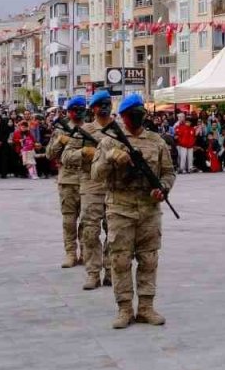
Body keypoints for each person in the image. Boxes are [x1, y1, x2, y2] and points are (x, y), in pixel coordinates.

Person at [92, 93, 175, 329]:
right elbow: (95, 174)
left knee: (149, 259)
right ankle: (125, 308)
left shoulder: (156, 141)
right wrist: (110, 159)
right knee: (120, 260)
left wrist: (164, 189)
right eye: (132, 114)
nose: (137, 118)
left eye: (141, 113)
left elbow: (169, 173)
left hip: (149, 210)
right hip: (120, 209)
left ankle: (146, 307)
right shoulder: (110, 140)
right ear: (124, 117)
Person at [46, 95, 89, 269]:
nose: (78, 113)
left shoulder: (90, 129)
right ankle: (70, 252)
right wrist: (59, 141)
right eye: (74, 110)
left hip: (87, 179)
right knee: (69, 220)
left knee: (87, 221)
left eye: (81, 109)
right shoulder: (60, 130)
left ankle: (85, 253)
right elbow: (49, 154)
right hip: (68, 180)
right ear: (69, 112)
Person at [78, 90, 112, 290]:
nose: (105, 107)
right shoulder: (86, 130)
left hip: (114, 186)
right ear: (94, 108)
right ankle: (92, 272)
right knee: (90, 231)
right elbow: (65, 156)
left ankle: (110, 271)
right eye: (101, 104)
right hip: (91, 186)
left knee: (114, 233)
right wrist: (84, 152)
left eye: (107, 103)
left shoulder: (120, 129)